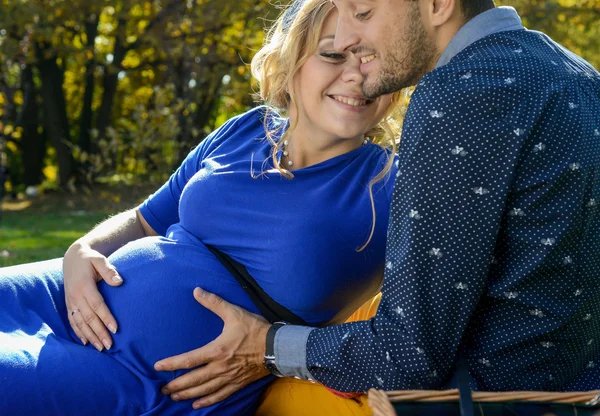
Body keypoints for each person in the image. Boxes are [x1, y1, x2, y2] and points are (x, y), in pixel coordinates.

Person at [150, 0, 600, 411]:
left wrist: (267, 347)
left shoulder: (460, 93)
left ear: (439, 6)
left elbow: (406, 356)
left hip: (484, 402)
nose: (347, 38)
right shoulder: (578, 77)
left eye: (362, 13)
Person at [0, 1, 402, 414]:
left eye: (374, 58)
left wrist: (276, 350)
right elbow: (143, 221)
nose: (356, 74)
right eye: (333, 54)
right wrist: (81, 250)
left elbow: (415, 335)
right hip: (62, 294)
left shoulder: (393, 185)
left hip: (141, 373)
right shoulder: (247, 129)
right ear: (291, 60)